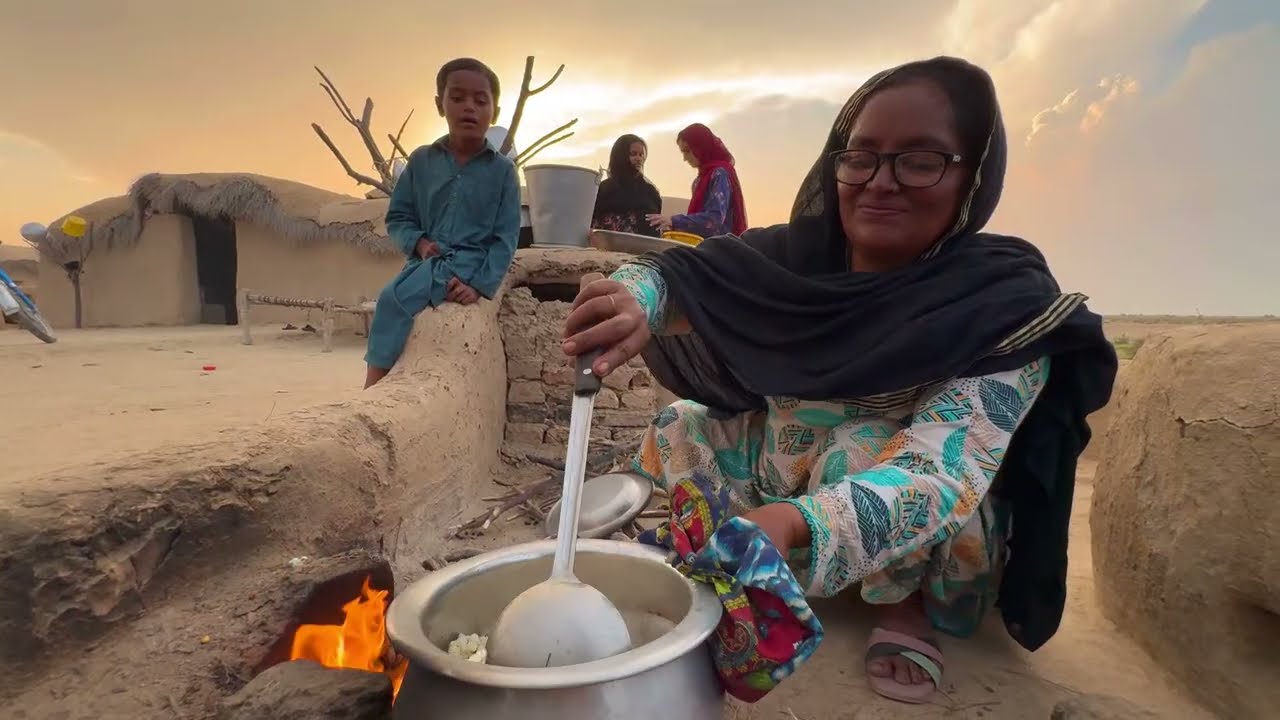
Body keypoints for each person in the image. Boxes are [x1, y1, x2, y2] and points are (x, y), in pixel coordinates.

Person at [563, 57, 1117, 703]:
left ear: (972, 178)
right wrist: (632, 300)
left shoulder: (999, 300)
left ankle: (901, 604)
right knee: (681, 423)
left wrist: (791, 524)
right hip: (788, 465)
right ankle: (729, 558)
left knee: (858, 452)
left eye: (921, 160)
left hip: (904, 495)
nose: (881, 182)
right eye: (861, 157)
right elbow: (681, 275)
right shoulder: (791, 260)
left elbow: (939, 470)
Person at [364, 58, 521, 388]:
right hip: (428, 261)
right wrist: (419, 243)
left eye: (480, 101)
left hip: (471, 263)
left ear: (494, 110)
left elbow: (505, 238)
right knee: (390, 300)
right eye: (458, 97)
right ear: (440, 104)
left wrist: (479, 286)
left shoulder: (503, 172)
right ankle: (375, 386)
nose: (469, 108)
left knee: (393, 302)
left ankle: (372, 388)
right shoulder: (421, 161)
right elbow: (399, 217)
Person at [646, 123, 747, 238]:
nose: (685, 158)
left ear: (701, 148)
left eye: (687, 151)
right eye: (682, 152)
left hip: (721, 248)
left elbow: (715, 219)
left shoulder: (719, 174)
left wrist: (674, 221)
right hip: (704, 245)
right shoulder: (700, 180)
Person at [592, 134, 663, 236]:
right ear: (621, 156)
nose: (639, 158)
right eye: (633, 154)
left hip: (647, 249)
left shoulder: (650, 191)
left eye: (641, 154)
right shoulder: (605, 189)